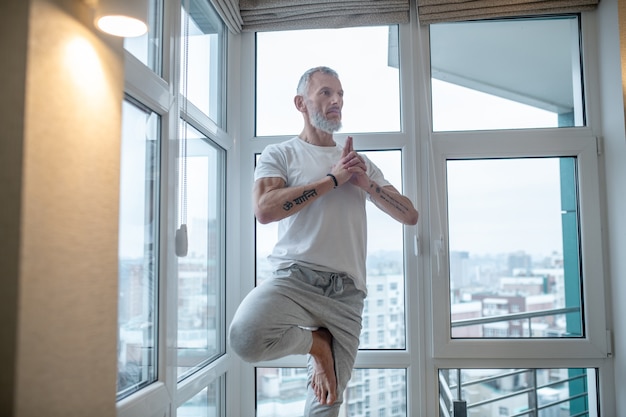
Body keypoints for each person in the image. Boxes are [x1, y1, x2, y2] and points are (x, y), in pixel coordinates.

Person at [229, 66, 418, 416]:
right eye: (326, 93)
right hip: (294, 280)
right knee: (245, 338)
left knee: (326, 406)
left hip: (346, 296)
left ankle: (324, 347)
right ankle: (317, 344)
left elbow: (410, 215)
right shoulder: (280, 154)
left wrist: (367, 185)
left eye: (341, 94)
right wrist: (332, 180)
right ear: (301, 103)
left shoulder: (358, 163)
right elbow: (265, 210)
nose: (337, 101)